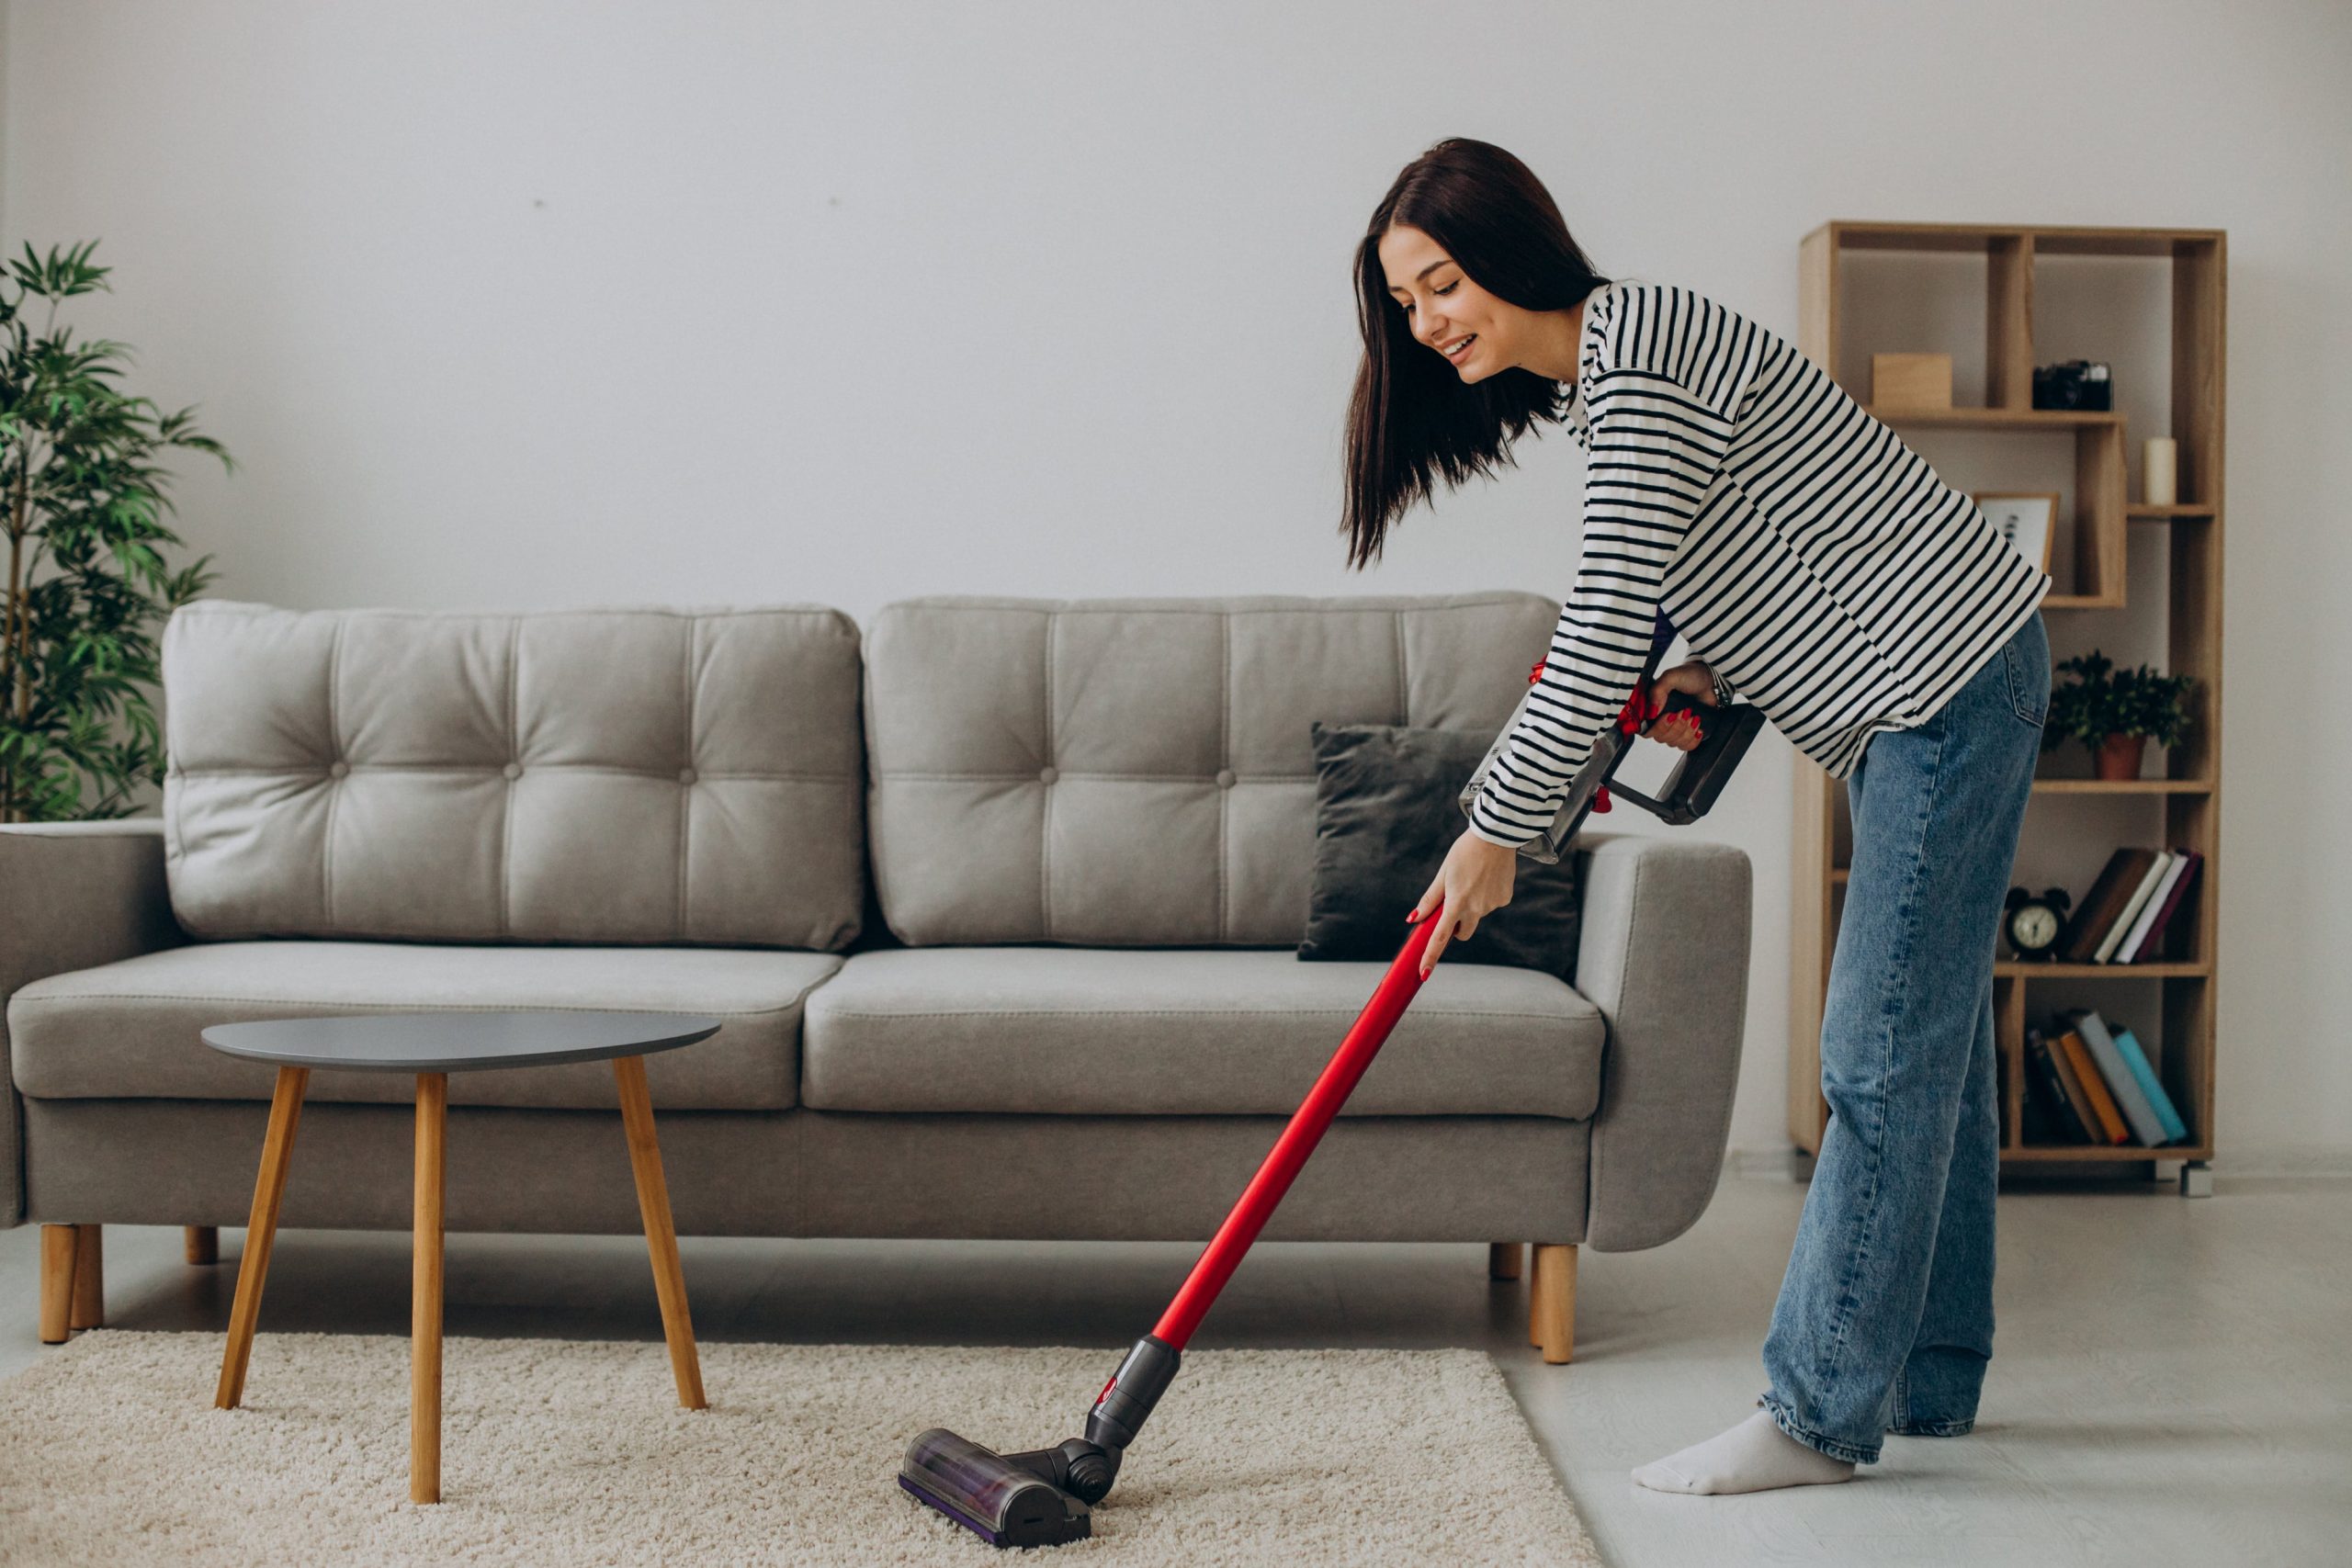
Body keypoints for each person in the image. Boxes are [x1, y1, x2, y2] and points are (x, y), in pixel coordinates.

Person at [1342, 138, 2051, 1494]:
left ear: (1512, 247)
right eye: (1409, 303)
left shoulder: (1636, 362)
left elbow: (1604, 618)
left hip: (1944, 685)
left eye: (1444, 284)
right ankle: (1926, 1377)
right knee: (1934, 1052)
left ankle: (1815, 1415)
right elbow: (1779, 532)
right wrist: (1708, 665)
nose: (1430, 323)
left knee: (1879, 1053)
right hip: (1935, 685)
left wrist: (1494, 830)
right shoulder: (1607, 379)